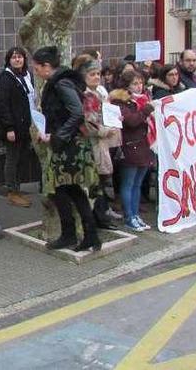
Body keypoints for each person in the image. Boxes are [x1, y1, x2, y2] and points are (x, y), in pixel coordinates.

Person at [34, 46, 101, 252]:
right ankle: (87, 236)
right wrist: (47, 132)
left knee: (61, 189)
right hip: (68, 143)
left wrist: (57, 137)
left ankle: (72, 234)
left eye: (37, 68)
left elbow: (76, 113)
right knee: (70, 190)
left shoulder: (61, 83)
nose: (35, 72)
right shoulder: (61, 81)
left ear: (47, 66)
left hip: (70, 146)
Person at [73, 55, 119, 229]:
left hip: (101, 144)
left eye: (98, 74)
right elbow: (88, 123)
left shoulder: (99, 93)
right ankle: (96, 218)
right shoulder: (85, 96)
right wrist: (106, 130)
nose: (97, 77)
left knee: (100, 180)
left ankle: (101, 216)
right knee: (93, 182)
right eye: (92, 74)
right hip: (90, 144)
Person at [109, 70, 155, 232]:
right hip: (130, 146)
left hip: (144, 145)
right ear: (126, 85)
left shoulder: (143, 100)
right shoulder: (120, 102)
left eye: (140, 83)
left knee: (138, 183)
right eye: (135, 83)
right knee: (128, 183)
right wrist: (146, 110)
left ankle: (136, 215)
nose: (139, 86)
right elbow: (132, 121)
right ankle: (129, 216)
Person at [0, 46, 36, 208]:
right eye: (14, 57)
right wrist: (9, 127)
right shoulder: (6, 77)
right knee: (13, 158)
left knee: (23, 158)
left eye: (20, 57)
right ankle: (12, 190)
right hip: (14, 127)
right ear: (9, 60)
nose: (17, 60)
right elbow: (3, 104)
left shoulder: (28, 75)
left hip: (28, 125)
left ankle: (18, 188)